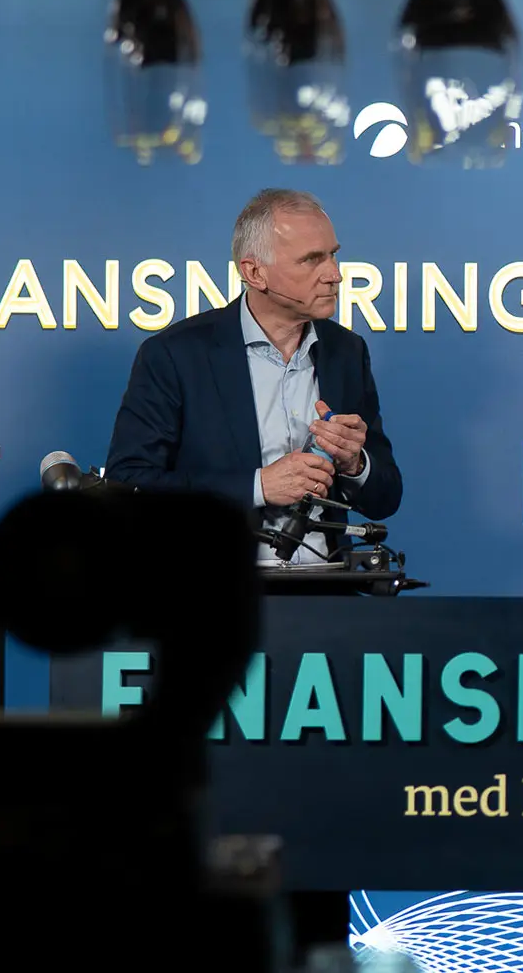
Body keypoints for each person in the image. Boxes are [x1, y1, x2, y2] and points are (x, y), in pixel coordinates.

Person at [103, 187, 403, 956]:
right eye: (314, 259)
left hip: (326, 618)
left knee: (318, 825)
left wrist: (355, 461)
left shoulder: (346, 353)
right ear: (254, 271)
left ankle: (319, 951)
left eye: (335, 255)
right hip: (211, 620)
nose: (335, 273)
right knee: (222, 822)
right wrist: (256, 486)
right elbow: (129, 488)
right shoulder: (176, 355)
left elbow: (386, 494)